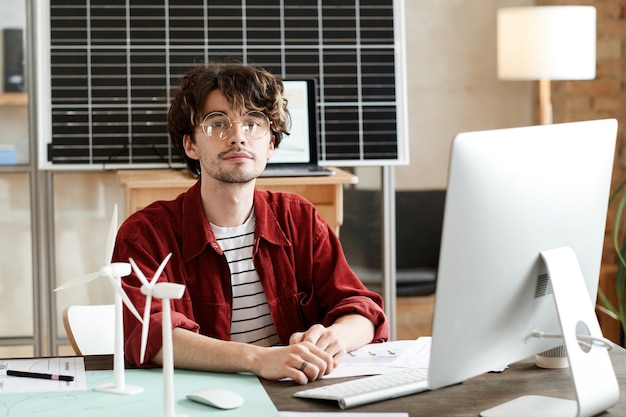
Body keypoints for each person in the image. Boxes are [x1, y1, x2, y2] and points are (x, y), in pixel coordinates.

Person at [113, 62, 389, 385]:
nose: (237, 137)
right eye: (218, 124)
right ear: (190, 144)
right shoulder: (145, 235)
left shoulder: (299, 219)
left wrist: (336, 337)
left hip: (294, 396)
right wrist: (258, 358)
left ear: (270, 144)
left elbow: (362, 309)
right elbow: (149, 333)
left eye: (253, 123)